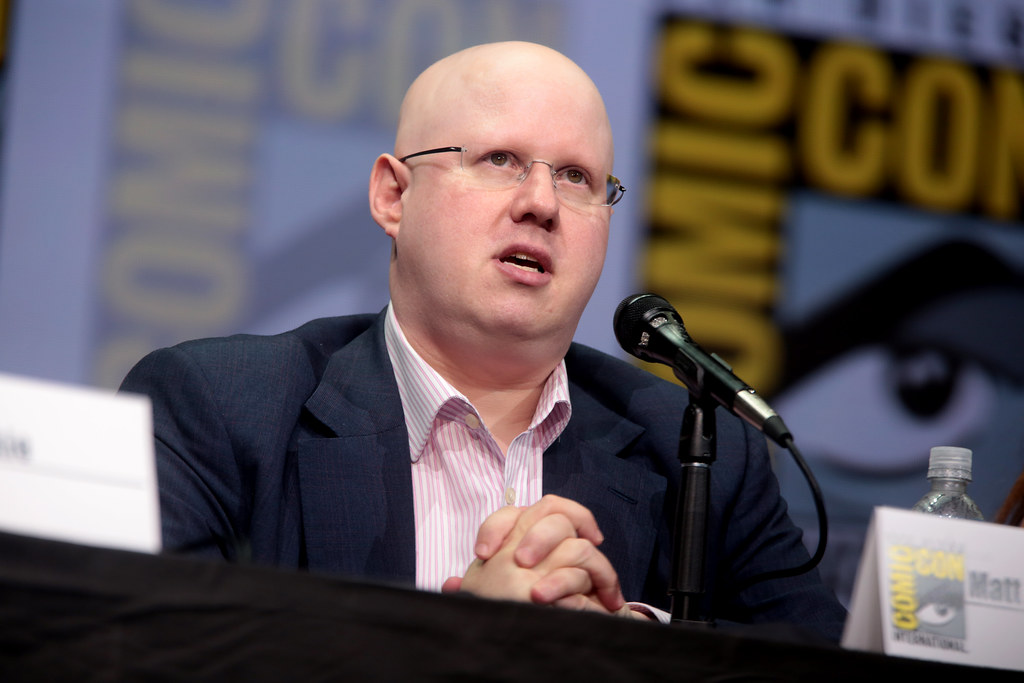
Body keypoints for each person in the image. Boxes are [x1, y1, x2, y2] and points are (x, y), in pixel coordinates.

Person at [120, 41, 846, 637]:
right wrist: (466, 638)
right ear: (393, 196)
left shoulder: (701, 452)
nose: (540, 203)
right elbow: (157, 652)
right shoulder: (218, 408)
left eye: (575, 176)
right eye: (499, 160)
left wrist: (633, 639)